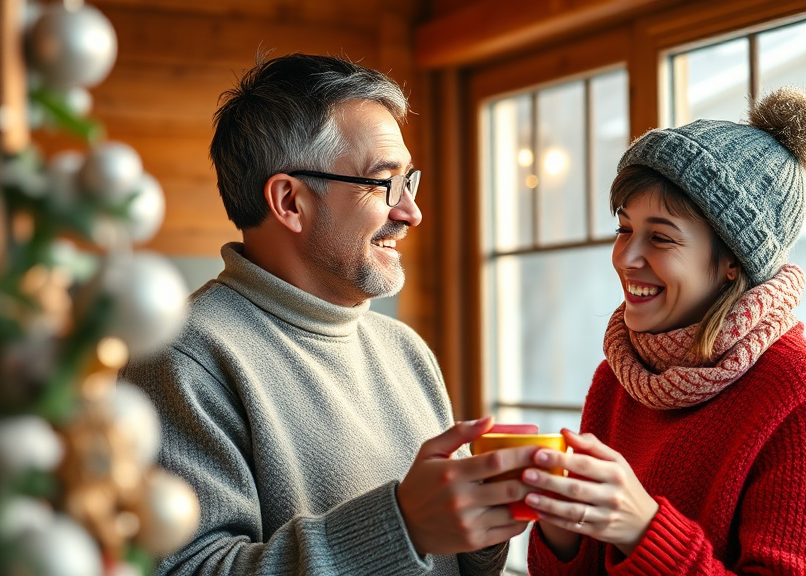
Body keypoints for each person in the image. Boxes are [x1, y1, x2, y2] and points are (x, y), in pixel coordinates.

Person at [121, 54, 537, 575]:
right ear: (290, 201)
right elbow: (188, 570)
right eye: (385, 183)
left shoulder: (404, 348)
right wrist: (403, 527)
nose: (411, 212)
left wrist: (478, 532)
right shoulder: (183, 357)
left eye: (410, 182)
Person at [523, 87, 806, 575]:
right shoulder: (618, 380)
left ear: (733, 262)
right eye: (624, 229)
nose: (625, 258)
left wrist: (643, 530)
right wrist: (560, 530)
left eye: (661, 237)